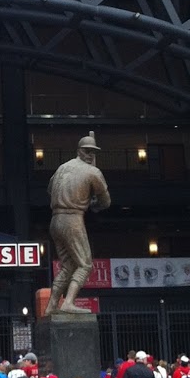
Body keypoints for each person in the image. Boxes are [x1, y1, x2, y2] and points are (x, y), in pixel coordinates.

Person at [46, 132, 111, 315]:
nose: (90, 155)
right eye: (87, 151)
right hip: (72, 220)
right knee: (85, 264)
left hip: (55, 220)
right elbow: (106, 202)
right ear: (79, 151)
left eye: (93, 152)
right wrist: (92, 203)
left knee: (68, 266)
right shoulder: (93, 172)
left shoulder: (62, 168)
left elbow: (50, 190)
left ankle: (51, 306)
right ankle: (67, 303)